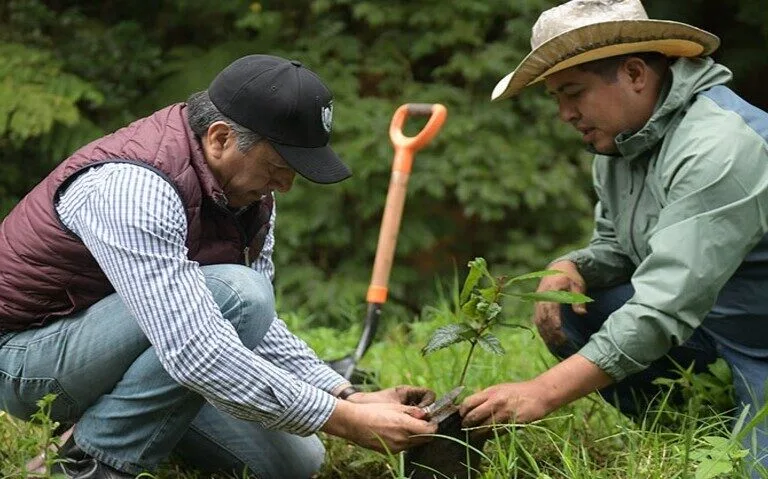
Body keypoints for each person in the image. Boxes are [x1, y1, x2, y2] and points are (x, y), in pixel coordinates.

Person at [0, 54, 438, 479]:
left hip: (141, 347)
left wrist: (345, 395)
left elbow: (256, 326)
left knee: (294, 462)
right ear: (220, 138)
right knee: (238, 292)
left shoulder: (248, 193)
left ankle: (116, 417)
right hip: (26, 358)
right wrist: (343, 421)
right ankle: (93, 462)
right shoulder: (132, 188)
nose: (285, 184)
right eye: (278, 166)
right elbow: (198, 346)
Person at [459, 0, 768, 473]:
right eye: (556, 98)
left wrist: (542, 392)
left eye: (574, 93)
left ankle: (737, 426)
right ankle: (695, 426)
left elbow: (663, 305)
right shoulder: (619, 144)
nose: (564, 113)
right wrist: (573, 265)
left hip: (757, 337)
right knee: (579, 306)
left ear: (635, 74)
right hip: (716, 323)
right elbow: (621, 249)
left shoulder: (718, 147)